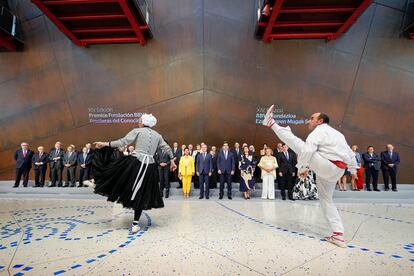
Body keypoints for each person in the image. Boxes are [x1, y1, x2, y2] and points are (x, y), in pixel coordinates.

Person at [262, 105, 357, 248]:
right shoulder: (339, 135)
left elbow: (308, 150)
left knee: (299, 144)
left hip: (327, 166)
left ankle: (271, 123)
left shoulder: (319, 131)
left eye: (312, 118)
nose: (309, 121)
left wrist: (303, 168)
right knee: (326, 200)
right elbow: (350, 153)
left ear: (320, 121)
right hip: (337, 171)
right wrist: (353, 170)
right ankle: (338, 234)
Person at [93, 113, 176, 233]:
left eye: (140, 120)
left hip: (136, 163)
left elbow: (123, 141)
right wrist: (172, 160)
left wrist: (106, 143)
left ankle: (99, 182)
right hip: (150, 167)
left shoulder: (137, 131)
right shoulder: (158, 135)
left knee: (117, 174)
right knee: (142, 192)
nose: (138, 121)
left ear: (143, 122)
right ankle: (135, 223)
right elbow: (167, 148)